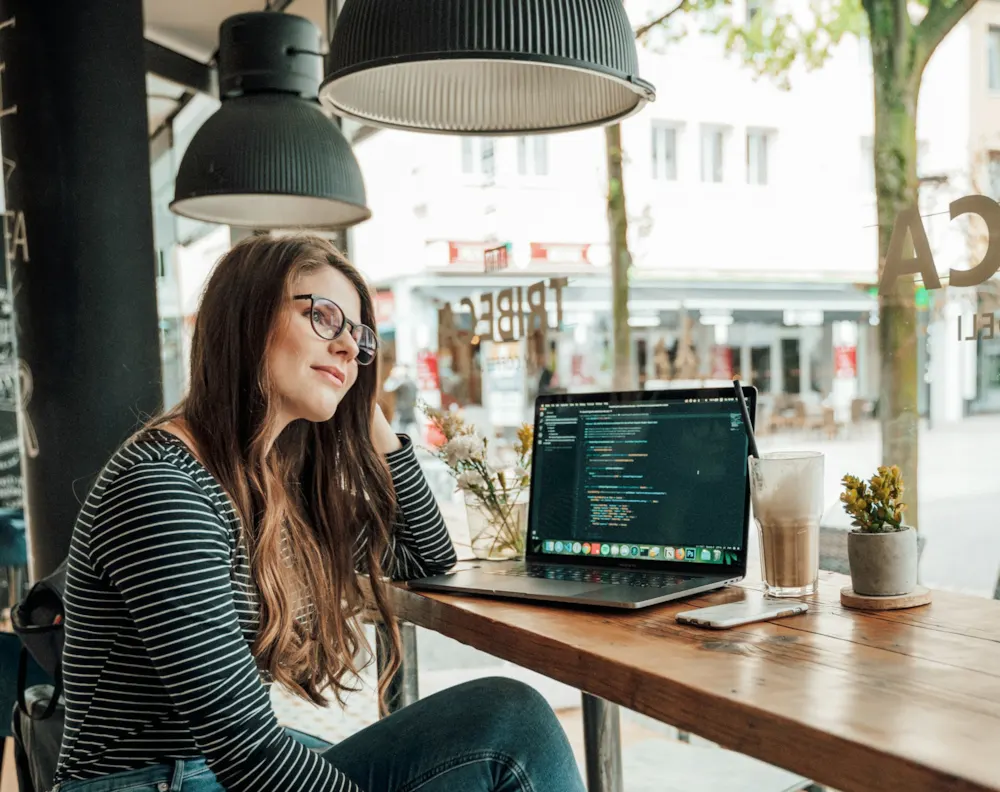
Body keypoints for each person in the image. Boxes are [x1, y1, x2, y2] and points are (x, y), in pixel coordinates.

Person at [53, 235, 585, 792]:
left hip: (210, 771)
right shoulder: (164, 486)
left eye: (360, 337)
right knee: (511, 723)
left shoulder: (266, 484)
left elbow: (426, 558)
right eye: (325, 318)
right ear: (248, 317)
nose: (350, 349)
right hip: (156, 780)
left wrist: (366, 416)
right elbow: (250, 754)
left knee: (505, 718)